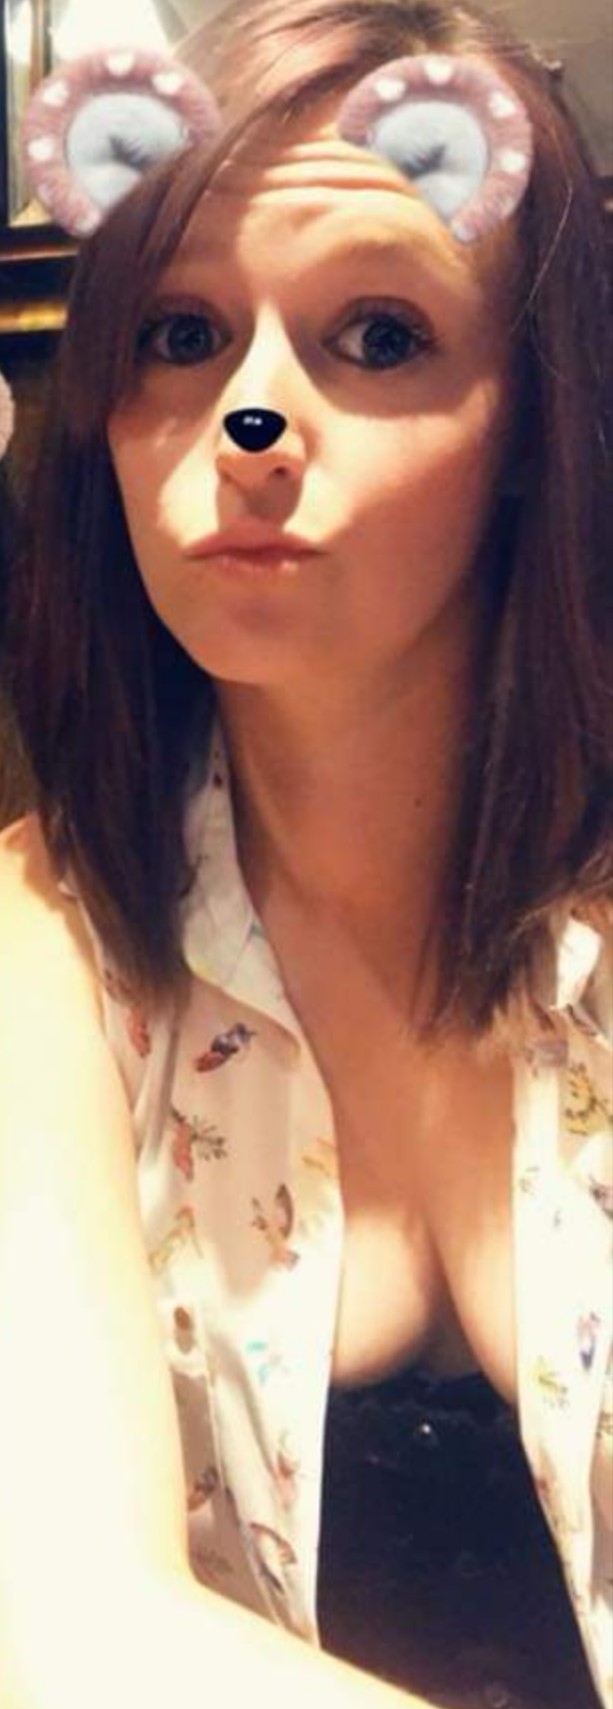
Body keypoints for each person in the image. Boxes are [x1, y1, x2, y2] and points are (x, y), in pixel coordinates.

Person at [1, 2, 611, 1706]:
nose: (250, 413)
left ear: (527, 429)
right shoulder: (43, 951)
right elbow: (70, 1628)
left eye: (377, 334)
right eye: (181, 333)